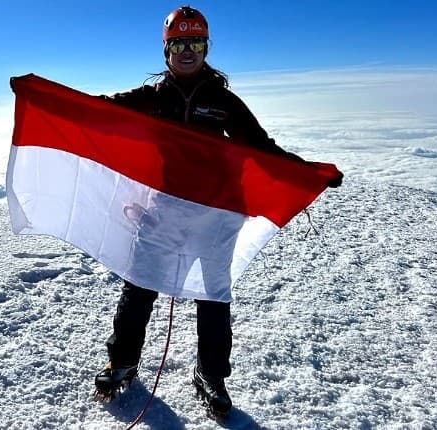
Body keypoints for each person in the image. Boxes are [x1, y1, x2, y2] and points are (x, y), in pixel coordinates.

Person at [93, 5, 342, 419]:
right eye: (179, 43)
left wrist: (308, 173)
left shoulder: (224, 102)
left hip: (213, 216)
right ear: (166, 51)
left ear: (206, 48)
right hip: (162, 211)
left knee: (212, 297)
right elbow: (101, 112)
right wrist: (44, 98)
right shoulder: (152, 99)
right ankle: (122, 362)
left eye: (196, 42)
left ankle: (211, 374)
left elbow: (262, 147)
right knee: (139, 287)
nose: (187, 51)